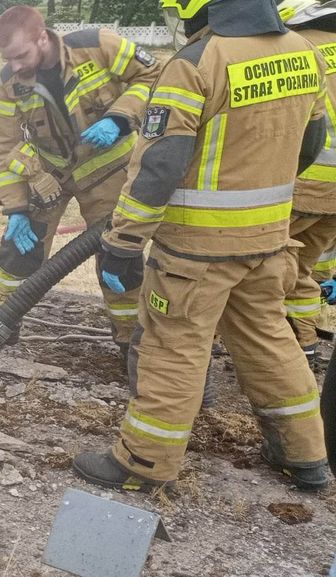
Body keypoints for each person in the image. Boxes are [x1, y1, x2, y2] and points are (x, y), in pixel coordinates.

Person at [73, 0, 330, 492]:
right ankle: (305, 456)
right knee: (269, 340)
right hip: (268, 240)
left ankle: (142, 463)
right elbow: (310, 140)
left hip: (195, 251)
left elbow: (161, 165)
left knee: (173, 349)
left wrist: (125, 241)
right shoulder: (302, 51)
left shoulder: (195, 63)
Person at [0, 7, 164, 352]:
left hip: (109, 168)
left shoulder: (97, 46)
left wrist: (120, 118)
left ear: (43, 37)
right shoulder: (9, 82)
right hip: (48, 176)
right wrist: (17, 210)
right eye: (9, 59)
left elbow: (155, 75)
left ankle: (130, 344)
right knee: (15, 256)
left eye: (22, 55)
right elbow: (5, 146)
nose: (17, 66)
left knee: (119, 257)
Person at [277, 0, 336, 368]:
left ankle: (265, 353)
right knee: (303, 270)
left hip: (304, 184)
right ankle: (305, 346)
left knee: (256, 271)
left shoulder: (300, 50)